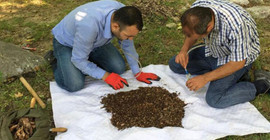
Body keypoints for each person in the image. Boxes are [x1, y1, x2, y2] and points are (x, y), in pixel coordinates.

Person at [169, 0, 270, 108]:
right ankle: (229, 76)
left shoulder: (236, 25)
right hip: (215, 50)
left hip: (236, 59)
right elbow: (191, 34)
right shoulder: (196, 10)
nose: (191, 37)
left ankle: (261, 85)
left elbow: (238, 63)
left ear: (209, 27)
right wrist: (184, 51)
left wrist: (205, 78)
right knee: (175, 64)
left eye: (196, 37)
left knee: (215, 99)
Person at [50, 0, 160, 92]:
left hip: (96, 42)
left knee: (118, 68)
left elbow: (128, 46)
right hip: (67, 43)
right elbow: (78, 59)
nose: (130, 40)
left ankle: (87, 57)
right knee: (74, 84)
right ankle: (57, 60)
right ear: (115, 26)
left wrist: (137, 72)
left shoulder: (123, 14)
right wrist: (106, 76)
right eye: (128, 36)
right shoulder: (89, 26)